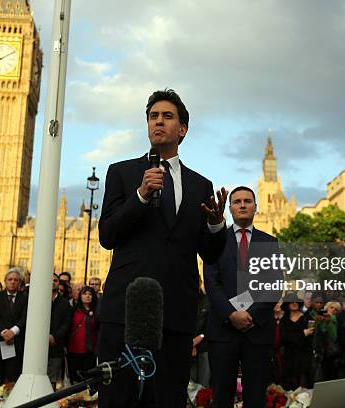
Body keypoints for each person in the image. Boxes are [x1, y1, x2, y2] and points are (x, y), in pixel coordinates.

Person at [97, 88, 228, 408]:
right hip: (125, 309)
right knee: (118, 399)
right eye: (153, 116)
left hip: (176, 313)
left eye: (167, 116)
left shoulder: (201, 185)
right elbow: (107, 235)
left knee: (168, 399)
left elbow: (209, 254)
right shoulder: (123, 173)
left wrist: (215, 225)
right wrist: (140, 195)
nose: (158, 122)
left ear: (182, 129)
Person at [204, 186, 277, 408]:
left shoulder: (270, 242)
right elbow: (211, 282)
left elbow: (273, 285)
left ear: (256, 207)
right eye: (237, 201)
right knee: (221, 397)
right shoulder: (216, 239)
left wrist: (249, 315)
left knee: (256, 397)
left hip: (257, 330)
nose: (243, 205)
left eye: (247, 201)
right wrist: (232, 314)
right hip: (223, 331)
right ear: (230, 207)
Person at [0, 268, 28, 384]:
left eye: (16, 280)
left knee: (12, 378)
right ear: (5, 281)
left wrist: (13, 332)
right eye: (10, 279)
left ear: (20, 282)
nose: (13, 282)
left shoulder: (25, 298)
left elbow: (25, 317)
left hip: (16, 342)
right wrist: (5, 332)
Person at [279, 292, 313, 390]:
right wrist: (302, 334)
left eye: (296, 301)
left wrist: (295, 337)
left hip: (304, 355)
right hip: (289, 356)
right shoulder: (284, 320)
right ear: (287, 305)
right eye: (291, 302)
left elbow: (310, 337)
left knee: (304, 384)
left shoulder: (306, 318)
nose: (294, 303)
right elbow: (284, 338)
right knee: (290, 384)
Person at [67, 286, 99, 385]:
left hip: (90, 351)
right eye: (85, 294)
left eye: (90, 294)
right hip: (74, 350)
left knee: (88, 379)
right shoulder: (74, 311)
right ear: (80, 296)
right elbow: (68, 328)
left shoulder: (97, 312)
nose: (87, 296)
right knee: (75, 379)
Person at [48, 274, 72, 389]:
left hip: (56, 346)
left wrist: (54, 337)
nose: (52, 282)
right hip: (38, 347)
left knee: (52, 380)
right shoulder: (37, 299)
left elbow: (66, 324)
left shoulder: (64, 303)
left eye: (55, 280)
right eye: (50, 280)